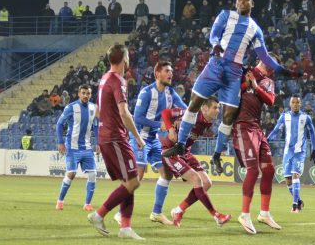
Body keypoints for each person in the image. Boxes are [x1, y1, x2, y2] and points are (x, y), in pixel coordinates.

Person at [163, 0, 297, 160]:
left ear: (252, 4)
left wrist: (281, 69)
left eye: (246, 0)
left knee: (228, 116)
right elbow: (214, 34)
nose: (241, 2)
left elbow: (263, 55)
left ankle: (217, 154)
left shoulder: (255, 29)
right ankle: (181, 145)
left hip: (234, 73)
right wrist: (216, 44)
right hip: (215, 66)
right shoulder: (225, 15)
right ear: (236, 3)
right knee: (194, 104)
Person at [87, 44, 145, 240]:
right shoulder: (118, 80)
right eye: (128, 56)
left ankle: (125, 228)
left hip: (107, 135)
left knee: (127, 181)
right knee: (133, 181)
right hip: (115, 137)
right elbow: (124, 112)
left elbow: (98, 110)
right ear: (124, 60)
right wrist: (137, 137)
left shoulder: (104, 78)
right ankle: (99, 214)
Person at [119, 61, 187, 226]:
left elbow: (185, 109)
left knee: (167, 173)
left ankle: (156, 213)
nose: (171, 74)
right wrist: (160, 125)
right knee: (138, 175)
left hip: (155, 140)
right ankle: (120, 212)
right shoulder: (147, 92)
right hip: (140, 138)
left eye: (171, 71)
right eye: (167, 71)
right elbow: (138, 118)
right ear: (157, 74)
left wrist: (178, 117)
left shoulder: (171, 92)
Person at [228, 59, 282, 234]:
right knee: (253, 170)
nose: (271, 69)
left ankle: (264, 213)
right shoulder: (245, 72)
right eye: (270, 64)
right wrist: (246, 83)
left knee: (269, 170)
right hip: (242, 126)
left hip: (257, 128)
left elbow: (271, 101)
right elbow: (231, 91)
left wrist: (255, 86)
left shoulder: (267, 82)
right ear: (263, 60)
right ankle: (244, 215)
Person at [160, 96, 231, 227]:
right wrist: (171, 128)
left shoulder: (209, 122)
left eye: (219, 108)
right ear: (204, 108)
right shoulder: (190, 113)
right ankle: (217, 216)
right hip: (171, 151)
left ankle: (178, 210)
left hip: (185, 152)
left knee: (207, 183)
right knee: (197, 180)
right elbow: (165, 113)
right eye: (215, 108)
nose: (218, 111)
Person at [267, 94, 315, 213]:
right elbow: (276, 130)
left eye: (297, 102)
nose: (295, 105)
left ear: (300, 104)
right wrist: (267, 140)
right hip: (287, 153)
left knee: (295, 175)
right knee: (288, 180)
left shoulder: (306, 118)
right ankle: (299, 200)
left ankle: (295, 205)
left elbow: (313, 133)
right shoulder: (284, 117)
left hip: (299, 152)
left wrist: (314, 149)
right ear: (290, 104)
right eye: (293, 102)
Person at [55, 84, 99, 211]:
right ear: (79, 94)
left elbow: (96, 127)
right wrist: (61, 142)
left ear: (90, 95)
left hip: (87, 147)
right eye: (83, 93)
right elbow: (59, 124)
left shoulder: (93, 108)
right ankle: (60, 201)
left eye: (88, 93)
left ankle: (87, 204)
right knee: (71, 173)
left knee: (93, 174)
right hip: (72, 147)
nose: (86, 95)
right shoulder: (71, 107)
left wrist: (99, 143)